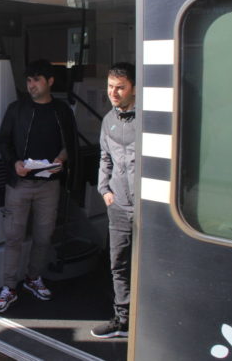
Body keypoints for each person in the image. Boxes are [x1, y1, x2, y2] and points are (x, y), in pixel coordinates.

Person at [0, 59, 78, 313]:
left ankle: (33, 278)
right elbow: (2, 141)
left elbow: (69, 144)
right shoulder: (16, 109)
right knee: (13, 237)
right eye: (28, 81)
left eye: (36, 80)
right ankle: (9, 287)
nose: (31, 86)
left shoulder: (61, 110)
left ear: (50, 82)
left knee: (43, 236)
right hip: (19, 183)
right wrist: (14, 163)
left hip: (49, 185)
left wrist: (61, 159)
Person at [91, 62, 136, 339]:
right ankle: (123, 320)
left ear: (133, 87)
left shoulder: (150, 116)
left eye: (120, 87)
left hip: (149, 208)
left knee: (149, 265)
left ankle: (150, 320)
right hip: (117, 205)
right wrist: (104, 190)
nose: (114, 93)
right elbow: (104, 157)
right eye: (110, 87)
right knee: (118, 264)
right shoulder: (109, 120)